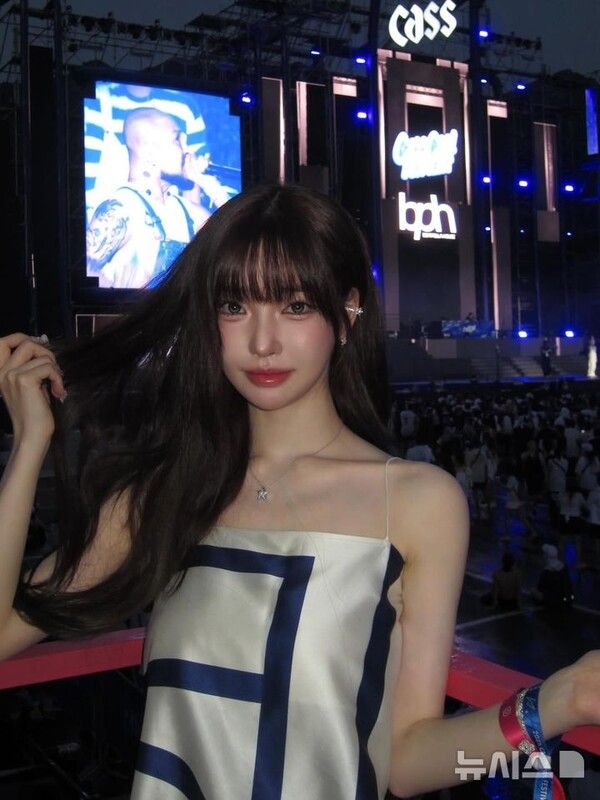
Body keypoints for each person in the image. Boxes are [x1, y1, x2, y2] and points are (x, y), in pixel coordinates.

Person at [0, 184, 599, 800]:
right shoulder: (166, 491)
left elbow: (407, 763)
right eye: (234, 306)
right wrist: (28, 446)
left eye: (294, 306)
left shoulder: (418, 503)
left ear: (348, 311)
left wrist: (560, 701)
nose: (262, 342)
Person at [86, 107, 211, 290]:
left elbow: (236, 244)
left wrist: (206, 183)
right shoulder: (122, 207)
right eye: (177, 140)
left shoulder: (188, 211)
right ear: (149, 152)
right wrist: (124, 296)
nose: (187, 150)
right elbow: (83, 271)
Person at [532, 544, 574, 610]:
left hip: (553, 603)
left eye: (543, 555)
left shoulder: (546, 572)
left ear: (546, 556)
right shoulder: (563, 568)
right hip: (565, 601)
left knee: (534, 592)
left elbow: (540, 589)